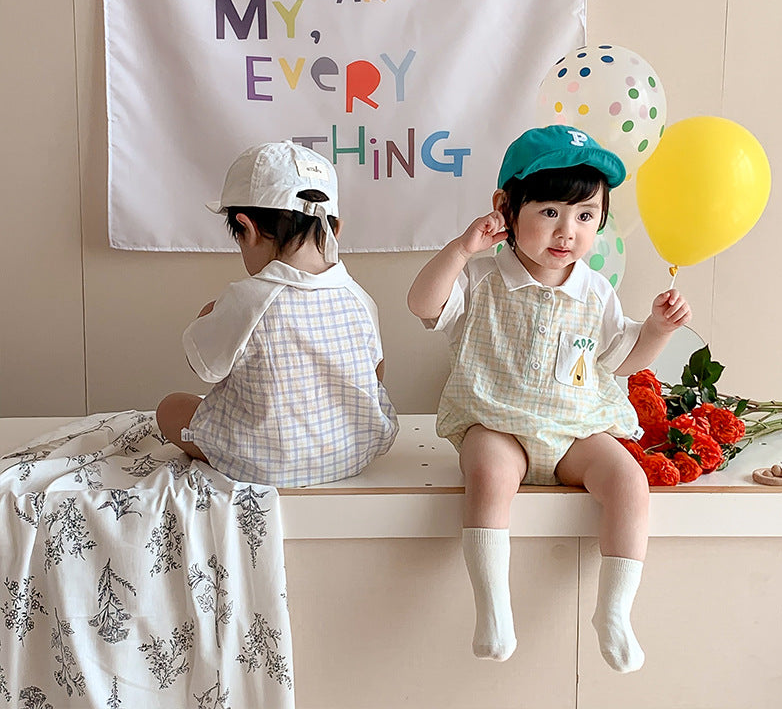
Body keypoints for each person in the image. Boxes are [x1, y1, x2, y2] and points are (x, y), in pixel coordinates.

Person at [407, 125, 691, 672]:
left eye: (585, 216)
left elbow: (620, 361)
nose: (567, 231)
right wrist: (462, 249)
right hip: (497, 425)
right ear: (506, 209)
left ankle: (614, 611)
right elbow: (422, 305)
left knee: (629, 481)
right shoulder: (482, 278)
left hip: (573, 433)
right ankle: (493, 607)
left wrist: (657, 330)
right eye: (550, 212)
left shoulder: (595, 290)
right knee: (488, 472)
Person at [157, 140, 399, 487]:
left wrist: (208, 313)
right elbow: (376, 374)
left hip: (267, 463)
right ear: (336, 229)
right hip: (352, 452)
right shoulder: (359, 298)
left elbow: (205, 366)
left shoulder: (247, 299)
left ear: (247, 228)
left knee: (170, 408)